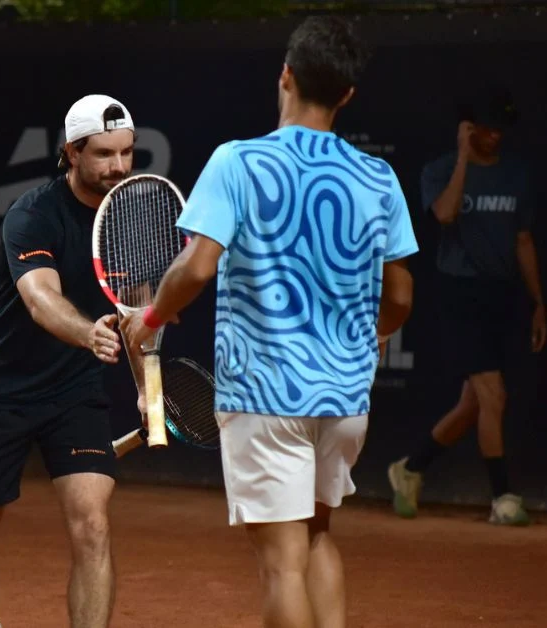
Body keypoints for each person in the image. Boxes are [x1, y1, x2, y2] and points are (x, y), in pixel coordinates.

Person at [121, 17, 417, 628]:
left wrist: (150, 319)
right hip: (345, 398)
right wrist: (378, 334)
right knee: (317, 537)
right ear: (346, 94)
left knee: (282, 567)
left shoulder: (237, 161)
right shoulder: (379, 178)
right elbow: (401, 295)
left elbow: (197, 267)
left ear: (285, 75)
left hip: (264, 395)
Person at [0, 94, 146, 628]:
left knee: (93, 526)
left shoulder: (129, 220)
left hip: (75, 393)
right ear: (72, 152)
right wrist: (87, 333)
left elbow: (138, 314)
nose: (119, 166)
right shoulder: (32, 214)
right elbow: (40, 300)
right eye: (104, 153)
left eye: (127, 152)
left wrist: (146, 385)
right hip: (1, 392)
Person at [386, 85, 547, 526]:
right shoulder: (439, 170)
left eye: (501, 129)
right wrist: (462, 157)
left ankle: (410, 469)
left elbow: (523, 240)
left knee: (473, 404)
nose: (496, 136)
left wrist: (538, 302)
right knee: (495, 395)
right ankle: (502, 497)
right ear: (469, 128)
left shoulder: (516, 175)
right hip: (460, 294)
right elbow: (444, 214)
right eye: (487, 128)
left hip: (502, 295)